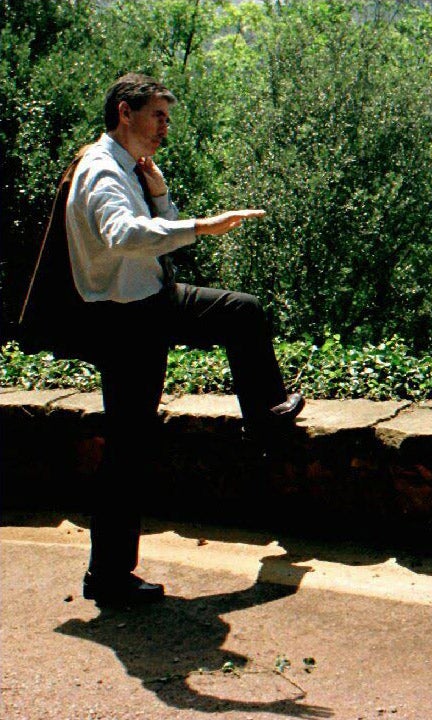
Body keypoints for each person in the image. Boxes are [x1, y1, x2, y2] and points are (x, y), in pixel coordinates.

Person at [67, 73, 305, 608]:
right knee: (128, 445)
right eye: (158, 116)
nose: (164, 129)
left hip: (152, 299)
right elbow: (124, 236)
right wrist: (205, 225)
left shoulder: (131, 170)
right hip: (124, 320)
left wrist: (160, 195)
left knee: (242, 313)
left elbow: (158, 234)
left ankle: (264, 415)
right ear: (126, 113)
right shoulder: (103, 172)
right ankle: (106, 575)